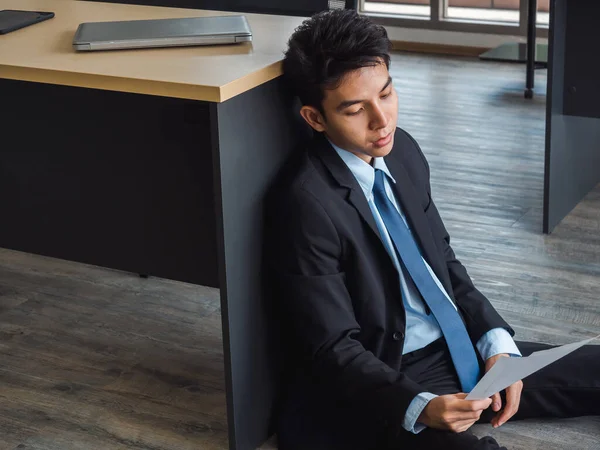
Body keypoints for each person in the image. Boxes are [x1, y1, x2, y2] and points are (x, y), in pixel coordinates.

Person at [265, 9, 600, 450]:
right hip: (380, 382)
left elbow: (443, 262)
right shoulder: (305, 204)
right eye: (355, 109)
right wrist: (418, 404)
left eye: (386, 94)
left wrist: (496, 344)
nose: (381, 121)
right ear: (315, 118)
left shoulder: (402, 151)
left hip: (453, 343)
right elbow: (331, 348)